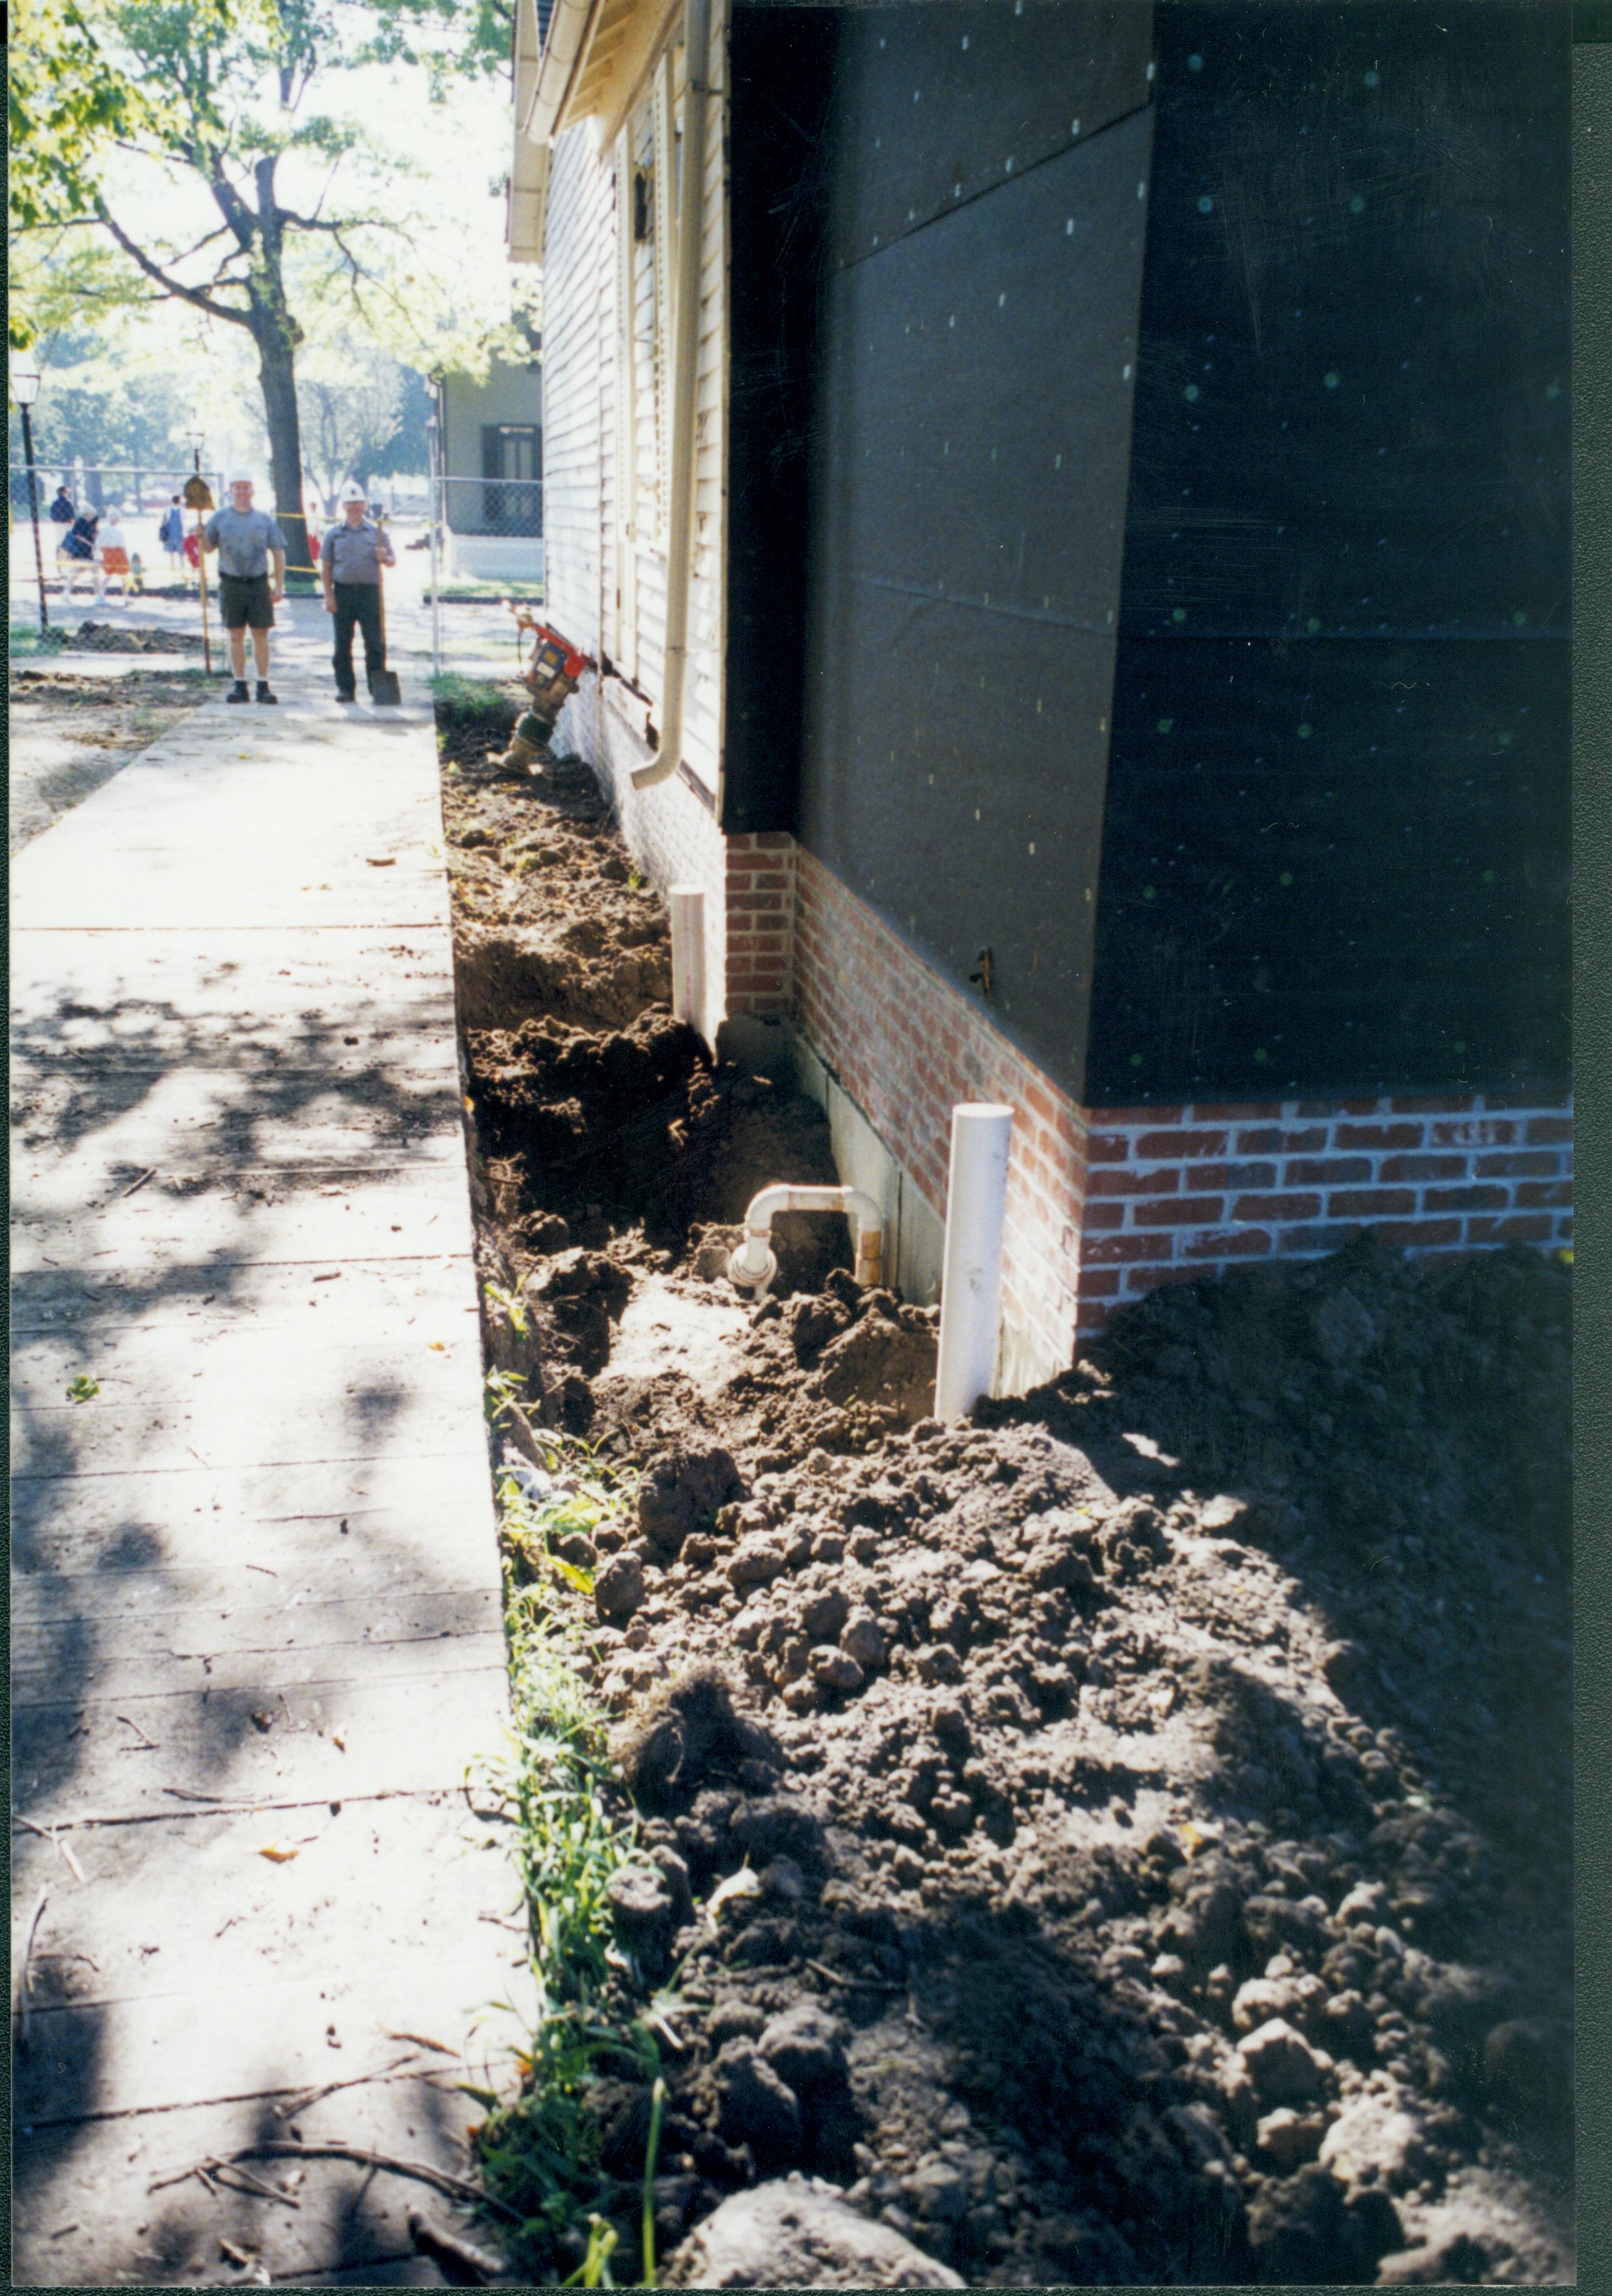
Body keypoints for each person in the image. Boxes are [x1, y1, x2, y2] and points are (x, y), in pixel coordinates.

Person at [202, 473, 287, 703]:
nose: (242, 492)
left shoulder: (264, 520)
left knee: (261, 634)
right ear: (230, 491)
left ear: (253, 491)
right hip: (231, 583)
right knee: (235, 634)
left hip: (258, 583)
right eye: (238, 487)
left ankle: (263, 685)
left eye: (246, 487)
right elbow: (208, 548)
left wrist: (279, 585)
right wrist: (201, 535)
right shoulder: (219, 518)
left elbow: (278, 552)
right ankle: (239, 685)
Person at [320, 480, 395, 703]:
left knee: (374, 642)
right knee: (342, 643)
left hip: (369, 594)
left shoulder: (377, 532)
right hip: (343, 593)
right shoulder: (333, 534)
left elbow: (392, 561)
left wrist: (385, 557)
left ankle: (377, 687)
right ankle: (346, 689)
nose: (354, 508)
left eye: (358, 503)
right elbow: (326, 567)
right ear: (344, 507)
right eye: (350, 504)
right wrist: (328, 596)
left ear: (365, 505)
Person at [93, 505, 132, 602]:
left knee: (108, 576)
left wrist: (98, 556)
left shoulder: (102, 530)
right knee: (124, 576)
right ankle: (126, 597)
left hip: (107, 555)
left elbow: (97, 544)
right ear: (116, 520)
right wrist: (127, 558)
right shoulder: (118, 532)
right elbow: (123, 547)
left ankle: (101, 595)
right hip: (118, 554)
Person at [60, 506, 99, 598]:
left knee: (77, 572)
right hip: (81, 551)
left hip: (86, 552)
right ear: (87, 514)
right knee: (94, 571)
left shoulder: (91, 522)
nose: (92, 516)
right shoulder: (81, 521)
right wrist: (92, 545)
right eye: (91, 514)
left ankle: (66, 594)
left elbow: (94, 534)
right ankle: (99, 596)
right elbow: (79, 536)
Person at [160, 495, 186, 572]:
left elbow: (164, 521)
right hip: (179, 534)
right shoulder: (182, 510)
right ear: (179, 502)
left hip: (170, 533)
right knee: (181, 552)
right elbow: (183, 519)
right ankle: (182, 567)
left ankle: (172, 567)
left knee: (171, 552)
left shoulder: (167, 509)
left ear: (172, 501)